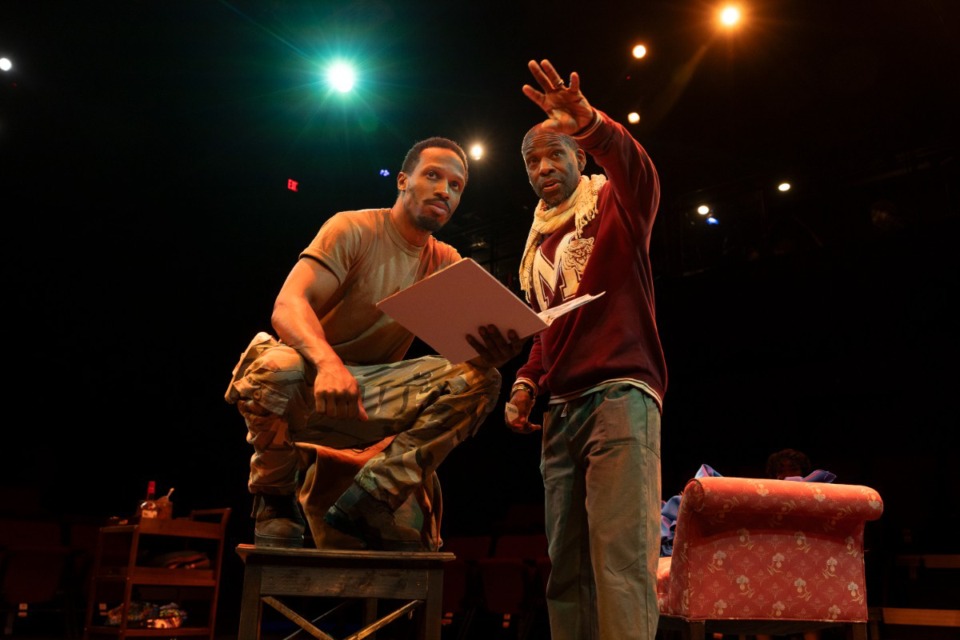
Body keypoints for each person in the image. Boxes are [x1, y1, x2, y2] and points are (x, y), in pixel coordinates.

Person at [225, 136, 525, 551]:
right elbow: (287, 305)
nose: (444, 190)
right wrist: (329, 364)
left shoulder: (446, 262)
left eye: (456, 186)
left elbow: (468, 359)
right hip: (309, 387)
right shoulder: (352, 227)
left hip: (368, 399)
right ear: (403, 180)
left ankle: (369, 500)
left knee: (483, 378)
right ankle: (273, 497)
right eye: (433, 176)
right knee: (274, 366)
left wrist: (495, 350)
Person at [505, 59, 667, 640]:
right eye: (532, 162)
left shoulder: (617, 211)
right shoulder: (538, 239)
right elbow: (546, 327)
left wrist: (592, 123)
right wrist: (526, 381)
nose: (545, 168)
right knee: (565, 573)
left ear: (579, 157)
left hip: (619, 395)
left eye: (556, 154)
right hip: (561, 409)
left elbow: (637, 169)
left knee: (620, 565)